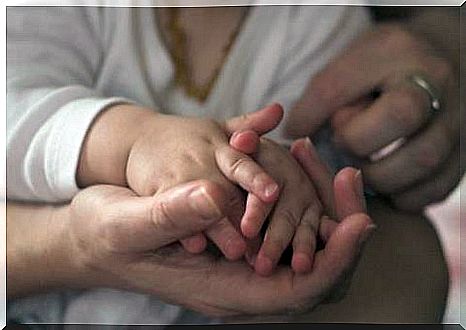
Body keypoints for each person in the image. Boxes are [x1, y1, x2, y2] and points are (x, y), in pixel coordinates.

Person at [7, 4, 455, 324]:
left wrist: (286, 197)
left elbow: (316, 158)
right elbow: (11, 112)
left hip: (212, 303)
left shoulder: (324, 19)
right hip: (33, 301)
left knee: (403, 266)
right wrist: (133, 141)